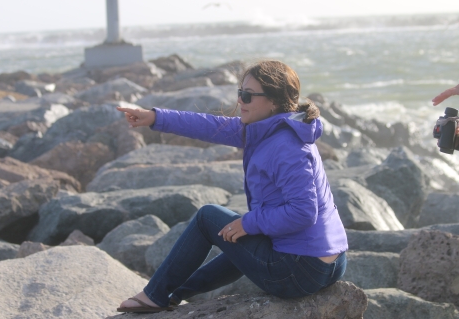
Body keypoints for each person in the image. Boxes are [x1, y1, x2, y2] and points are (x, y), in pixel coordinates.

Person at [115, 60, 348, 313]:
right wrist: (155, 118)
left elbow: (303, 211)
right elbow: (210, 126)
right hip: (327, 262)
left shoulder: (286, 146)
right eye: (240, 93)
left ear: (273, 101)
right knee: (242, 233)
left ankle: (155, 295)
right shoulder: (272, 128)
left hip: (298, 271)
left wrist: (248, 222)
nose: (240, 102)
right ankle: (177, 292)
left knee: (209, 217)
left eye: (247, 96)